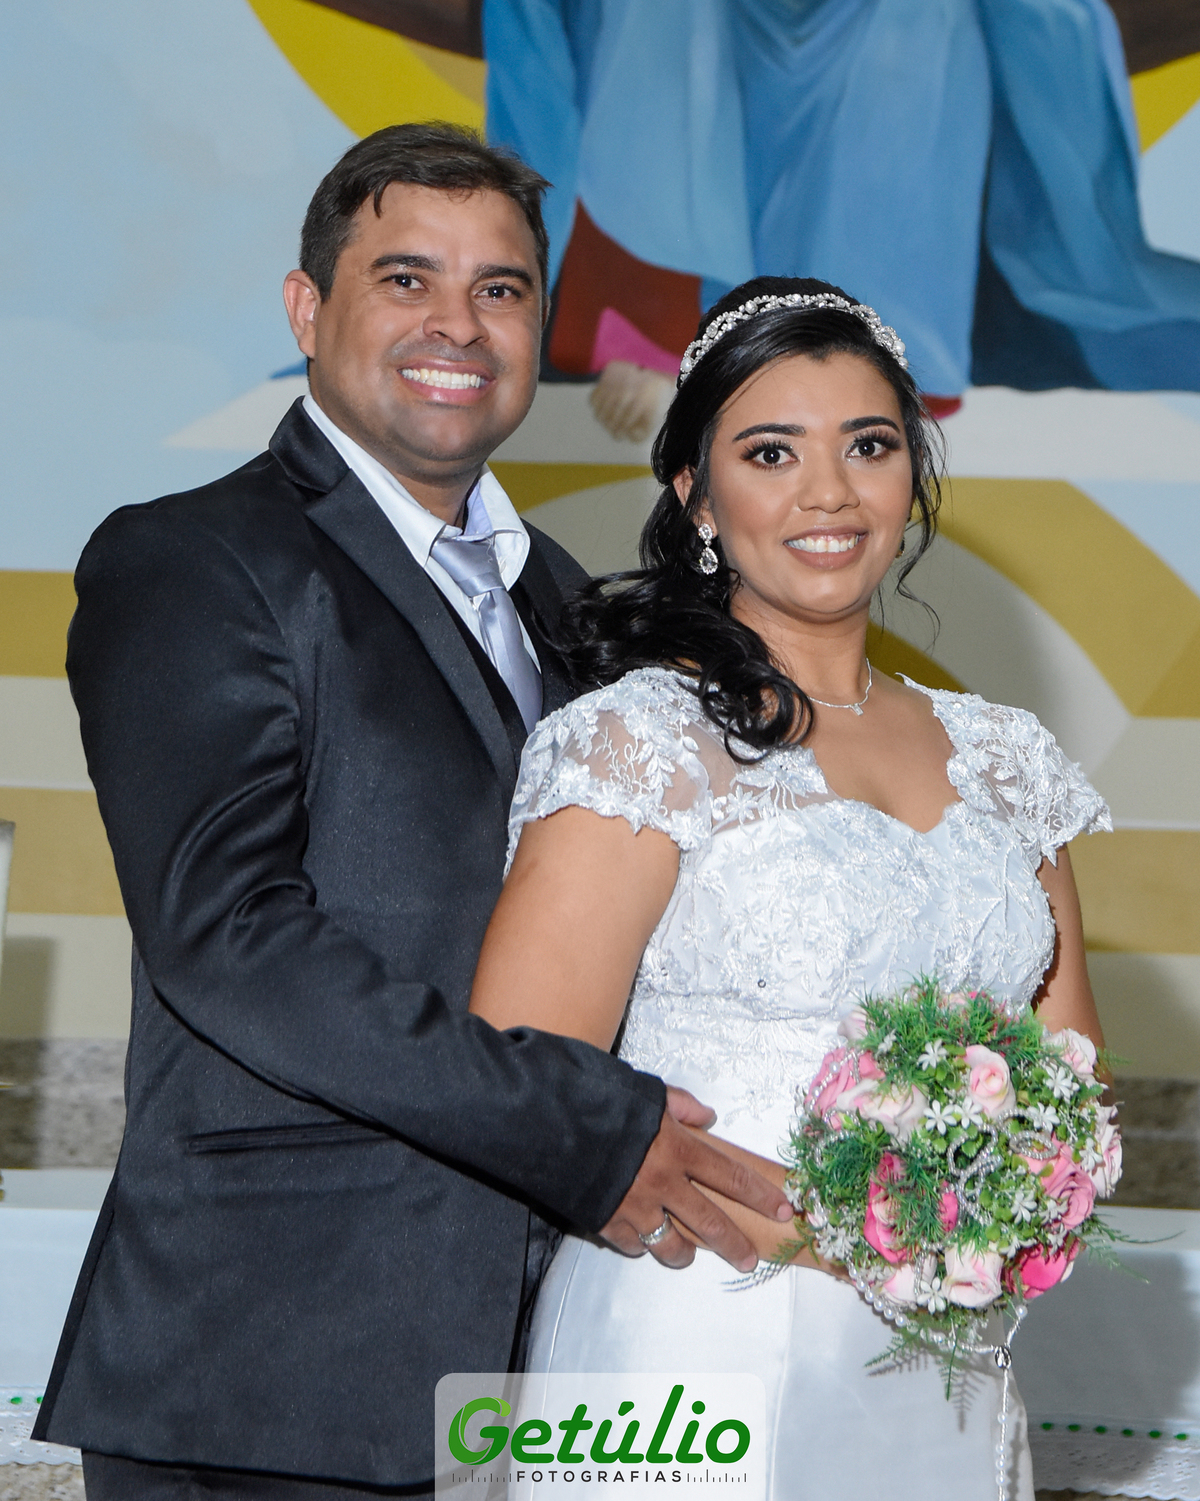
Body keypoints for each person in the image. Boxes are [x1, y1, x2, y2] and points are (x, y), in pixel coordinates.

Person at [32, 124, 790, 1499]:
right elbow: (231, 940)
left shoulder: (563, 595)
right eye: (406, 279)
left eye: (500, 289)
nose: (458, 324)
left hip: (539, 1364)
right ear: (306, 307)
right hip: (272, 1362)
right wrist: (584, 1132)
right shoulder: (196, 558)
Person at [468, 276, 1114, 1499]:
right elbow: (517, 1079)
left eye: (869, 446)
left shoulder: (1008, 759)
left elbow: (1072, 1088)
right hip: (691, 1330)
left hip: (945, 1352)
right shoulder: (639, 743)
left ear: (911, 476)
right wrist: (795, 1223)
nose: (829, 493)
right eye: (772, 452)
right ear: (696, 494)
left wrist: (968, 1224)